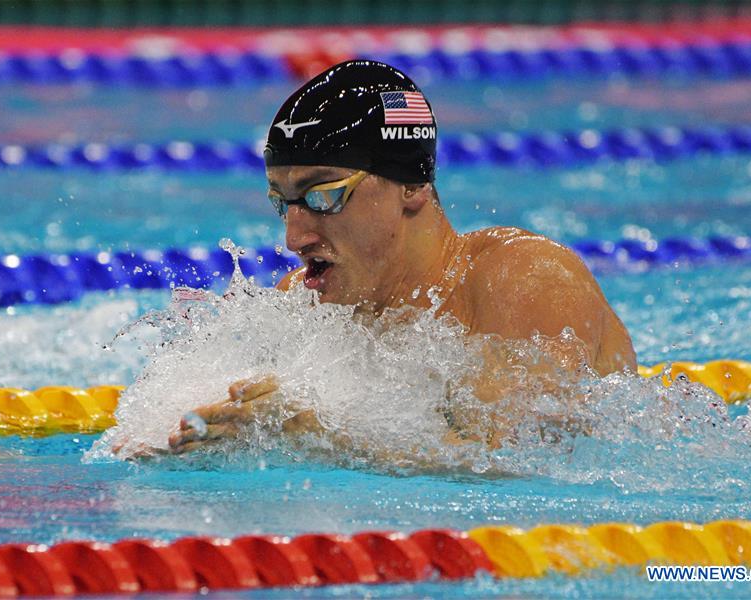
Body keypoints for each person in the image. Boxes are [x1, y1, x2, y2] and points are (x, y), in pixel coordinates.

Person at [169, 60, 636, 454]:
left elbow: (513, 460)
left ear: (412, 186)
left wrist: (320, 438)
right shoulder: (306, 301)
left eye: (323, 196)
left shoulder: (523, 280)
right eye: (284, 202)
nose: (295, 238)